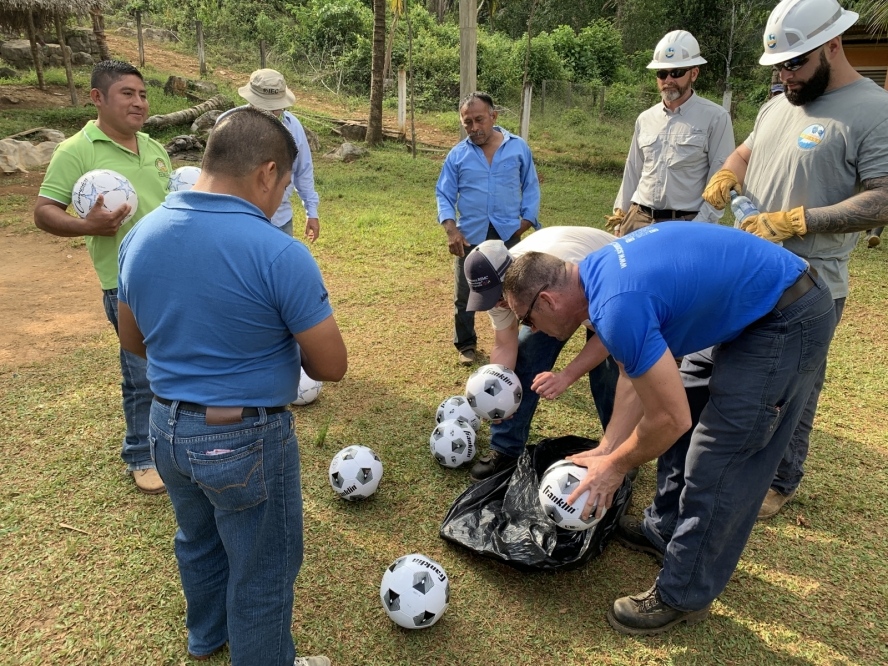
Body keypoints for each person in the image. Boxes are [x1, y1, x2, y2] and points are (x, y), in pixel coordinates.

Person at [502, 222, 835, 635]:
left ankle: (683, 594)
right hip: (748, 309)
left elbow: (669, 419)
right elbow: (632, 377)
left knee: (719, 460)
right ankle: (663, 528)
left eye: (527, 317)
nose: (532, 329)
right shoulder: (597, 276)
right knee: (688, 408)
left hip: (784, 317)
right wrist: (607, 446)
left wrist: (615, 466)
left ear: (548, 300)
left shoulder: (616, 307)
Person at [117, 107, 346, 665]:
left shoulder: (141, 235)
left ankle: (206, 638)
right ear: (268, 172)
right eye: (285, 184)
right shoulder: (279, 252)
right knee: (263, 570)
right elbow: (330, 367)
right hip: (245, 437)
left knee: (198, 541)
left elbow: (133, 339)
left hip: (165, 430)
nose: (280, 199)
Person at [703, 0, 888, 519]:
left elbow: (883, 197)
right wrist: (728, 173)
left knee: (797, 388)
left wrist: (798, 221)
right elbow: (747, 150)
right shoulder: (779, 102)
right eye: (778, 66)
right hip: (750, 270)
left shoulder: (872, 109)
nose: (785, 75)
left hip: (812, 281)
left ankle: (782, 479)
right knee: (741, 375)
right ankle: (741, 462)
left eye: (795, 63)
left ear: (832, 44)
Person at [34, 60, 171, 495]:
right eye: (127, 94)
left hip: (173, 275)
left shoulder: (153, 147)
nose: (139, 102)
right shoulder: (77, 150)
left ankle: (176, 439)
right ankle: (140, 454)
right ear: (98, 98)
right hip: (126, 281)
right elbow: (44, 212)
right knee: (141, 371)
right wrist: (87, 226)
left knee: (177, 362)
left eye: (143, 94)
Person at [463, 226, 619, 480]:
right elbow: (505, 344)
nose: (497, 304)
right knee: (526, 357)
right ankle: (505, 448)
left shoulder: (561, 271)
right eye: (489, 298)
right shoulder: (496, 288)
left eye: (500, 296)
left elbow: (607, 337)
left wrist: (566, 375)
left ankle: (618, 451)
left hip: (607, 290)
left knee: (609, 377)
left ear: (512, 277)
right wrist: (497, 394)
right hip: (546, 297)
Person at [436, 91, 541, 366]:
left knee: (517, 291)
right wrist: (451, 230)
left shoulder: (518, 147)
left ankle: (519, 345)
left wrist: (527, 220)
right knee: (464, 294)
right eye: (467, 122)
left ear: (493, 117)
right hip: (469, 236)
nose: (474, 128)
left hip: (509, 234)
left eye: (479, 120)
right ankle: (466, 344)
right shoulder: (457, 155)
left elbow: (530, 186)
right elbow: (444, 194)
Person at [606, 30, 734, 237]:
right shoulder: (645, 119)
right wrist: (621, 217)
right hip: (638, 219)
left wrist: (700, 226)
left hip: (685, 224)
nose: (668, 80)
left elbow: (719, 183)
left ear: (694, 73)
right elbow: (632, 170)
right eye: (662, 74)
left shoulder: (715, 118)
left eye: (676, 73)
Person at [221, 68, 320, 242]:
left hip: (280, 220)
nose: (273, 113)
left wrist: (311, 212)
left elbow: (303, 169)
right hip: (237, 219)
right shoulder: (228, 125)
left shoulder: (293, 126)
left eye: (276, 108)